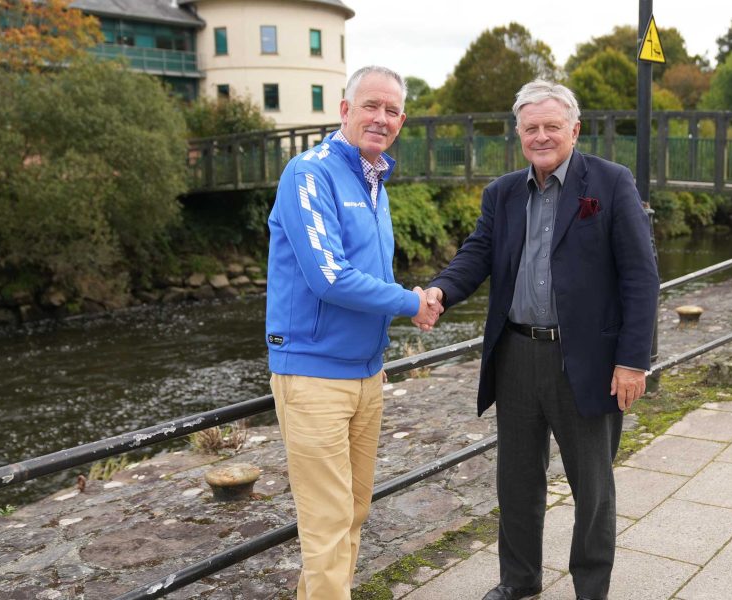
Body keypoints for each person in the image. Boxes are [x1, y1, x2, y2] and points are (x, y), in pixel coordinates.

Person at [421, 80, 660, 600]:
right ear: (519, 134)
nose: (542, 136)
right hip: (517, 354)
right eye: (531, 128)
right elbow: (476, 254)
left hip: (588, 361)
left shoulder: (611, 182)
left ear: (575, 129)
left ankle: (590, 588)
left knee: (591, 486)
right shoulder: (502, 193)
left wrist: (632, 361)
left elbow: (641, 278)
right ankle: (519, 579)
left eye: (552, 126)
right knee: (517, 480)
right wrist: (440, 290)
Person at [266, 65, 441, 600]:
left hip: (365, 374)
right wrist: (412, 302)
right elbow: (329, 277)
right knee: (327, 524)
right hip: (313, 375)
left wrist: (382, 336)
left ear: (402, 121)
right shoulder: (309, 173)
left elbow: (370, 273)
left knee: (353, 512)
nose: (381, 118)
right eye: (371, 106)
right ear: (345, 109)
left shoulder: (374, 180)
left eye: (392, 111)